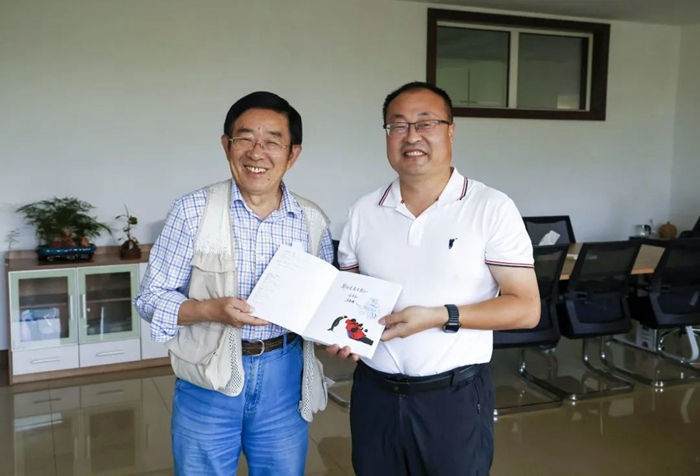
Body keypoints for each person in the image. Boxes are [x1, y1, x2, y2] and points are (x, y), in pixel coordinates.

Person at [327, 81, 540, 475]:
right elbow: (350, 298)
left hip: (453, 399)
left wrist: (440, 316)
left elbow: (526, 309)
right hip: (374, 395)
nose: (412, 136)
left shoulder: (490, 207)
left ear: (451, 131)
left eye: (425, 123)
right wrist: (341, 334)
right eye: (398, 125)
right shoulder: (364, 211)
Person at [135, 91, 334, 476]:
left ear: (293, 154)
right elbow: (149, 299)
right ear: (227, 145)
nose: (257, 152)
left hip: (285, 375)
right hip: (207, 375)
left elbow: (325, 302)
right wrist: (210, 309)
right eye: (245, 138)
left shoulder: (312, 221)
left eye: (273, 141)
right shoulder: (192, 211)